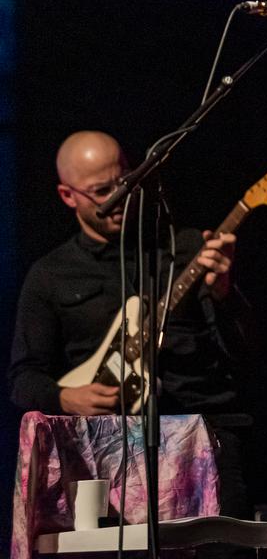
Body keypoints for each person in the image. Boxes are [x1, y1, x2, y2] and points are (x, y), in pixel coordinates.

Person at [8, 130, 252, 525]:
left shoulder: (184, 249)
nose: (119, 198)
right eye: (102, 191)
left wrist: (224, 294)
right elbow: (23, 377)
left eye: (125, 182)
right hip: (105, 463)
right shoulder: (50, 274)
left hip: (205, 441)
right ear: (68, 196)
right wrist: (68, 398)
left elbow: (244, 350)